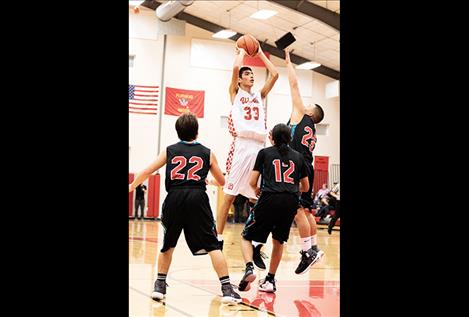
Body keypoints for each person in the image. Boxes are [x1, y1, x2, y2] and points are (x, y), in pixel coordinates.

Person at [129, 113, 241, 304]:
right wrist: (210, 181)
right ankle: (227, 289)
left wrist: (131, 187)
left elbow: (147, 170)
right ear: (197, 132)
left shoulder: (170, 150)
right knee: (213, 245)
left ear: (177, 132)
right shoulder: (207, 152)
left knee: (168, 243)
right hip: (198, 197)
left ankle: (160, 285)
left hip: (175, 197)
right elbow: (223, 181)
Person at [216, 43, 279, 258]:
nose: (251, 76)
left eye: (252, 73)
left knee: (259, 197)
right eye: (248, 73)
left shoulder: (259, 96)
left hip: (260, 148)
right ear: (241, 79)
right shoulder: (235, 93)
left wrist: (259, 52)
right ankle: (218, 238)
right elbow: (235, 70)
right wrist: (242, 53)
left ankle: (257, 242)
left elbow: (275, 73)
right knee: (229, 196)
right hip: (242, 147)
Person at [238, 123, 309, 293]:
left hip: (269, 198)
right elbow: (305, 187)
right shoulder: (299, 157)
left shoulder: (264, 153)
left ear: (272, 138)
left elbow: (252, 181)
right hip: (290, 201)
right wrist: (290, 188)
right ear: (290, 138)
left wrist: (256, 190)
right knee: (279, 241)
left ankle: (249, 268)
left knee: (246, 236)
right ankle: (270, 279)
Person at [284, 48, 325, 274]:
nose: (304, 103)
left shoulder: (302, 115)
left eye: (309, 103)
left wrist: (289, 63)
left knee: (297, 210)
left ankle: (307, 251)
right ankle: (315, 248)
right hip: (306, 165)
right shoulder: (311, 128)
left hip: (297, 166)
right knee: (307, 211)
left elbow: (294, 86)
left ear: (311, 112)